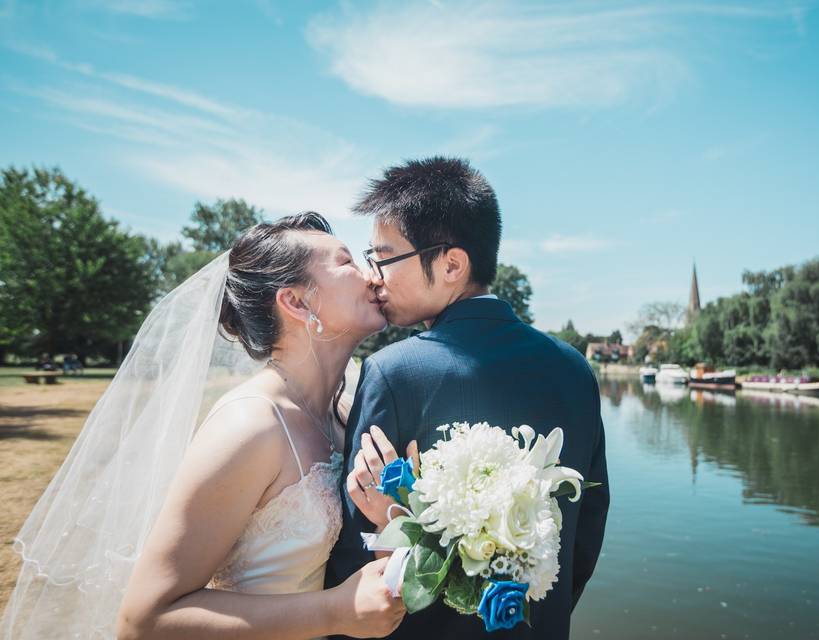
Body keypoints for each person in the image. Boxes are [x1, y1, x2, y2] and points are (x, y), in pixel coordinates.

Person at [2, 212, 405, 639]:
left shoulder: (344, 409)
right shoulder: (251, 426)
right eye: (347, 262)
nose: (372, 275)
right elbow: (144, 621)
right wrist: (331, 612)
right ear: (296, 302)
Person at [327, 157, 610, 640]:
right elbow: (585, 531)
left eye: (384, 257)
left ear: (451, 264)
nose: (374, 276)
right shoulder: (574, 370)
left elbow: (356, 555)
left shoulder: (393, 373)